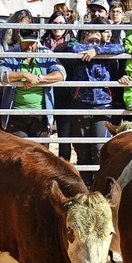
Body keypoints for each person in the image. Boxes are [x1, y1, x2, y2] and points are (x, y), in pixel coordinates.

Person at [69, 18, 125, 186]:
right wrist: (92, 49)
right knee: (81, 148)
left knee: (99, 147)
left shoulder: (106, 53)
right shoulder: (79, 51)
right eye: (90, 40)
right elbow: (73, 47)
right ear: (83, 40)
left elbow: (121, 47)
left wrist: (97, 50)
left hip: (103, 104)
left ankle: (98, 184)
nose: (93, 44)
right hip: (81, 103)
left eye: (97, 40)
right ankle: (85, 184)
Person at [0, 29, 66, 142]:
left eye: (32, 42)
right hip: (16, 113)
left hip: (41, 113)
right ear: (19, 40)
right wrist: (24, 75)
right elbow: (1, 74)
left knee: (40, 154)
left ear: (37, 41)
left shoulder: (46, 54)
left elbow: (61, 73)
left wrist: (40, 78)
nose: (29, 46)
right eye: (25, 42)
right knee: (19, 151)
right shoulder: (11, 54)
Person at [41, 11, 76, 161]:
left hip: (65, 96)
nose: (58, 27)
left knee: (64, 136)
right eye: (55, 23)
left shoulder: (73, 44)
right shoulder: (40, 43)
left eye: (62, 23)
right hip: (44, 94)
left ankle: (64, 168)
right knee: (43, 134)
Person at [0, 9, 32, 81]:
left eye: (27, 28)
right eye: (21, 27)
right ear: (13, 24)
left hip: (22, 83)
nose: (23, 30)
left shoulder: (31, 42)